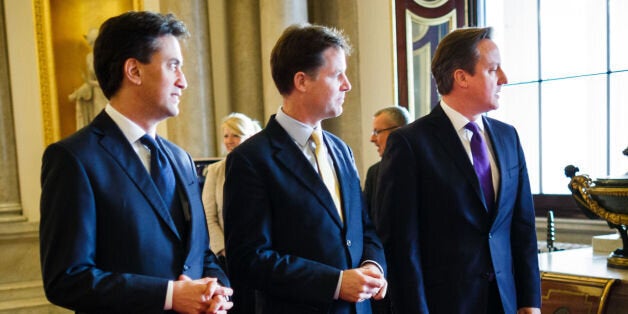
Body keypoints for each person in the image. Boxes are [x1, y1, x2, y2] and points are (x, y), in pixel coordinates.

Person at [39, 11, 233, 313]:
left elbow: (201, 254)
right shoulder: (73, 158)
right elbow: (66, 278)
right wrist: (169, 295)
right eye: (173, 66)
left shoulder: (180, 159)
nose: (183, 81)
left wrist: (216, 289)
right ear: (134, 71)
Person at [223, 23, 387, 314]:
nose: (347, 84)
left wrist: (373, 265)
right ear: (302, 81)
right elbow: (249, 258)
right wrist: (334, 283)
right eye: (337, 75)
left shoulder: (341, 150)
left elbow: (364, 228)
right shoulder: (252, 158)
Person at [375, 27, 541, 314]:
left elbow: (523, 227)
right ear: (461, 77)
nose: (504, 79)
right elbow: (401, 244)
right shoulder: (410, 143)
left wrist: (529, 302)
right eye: (493, 70)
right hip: (444, 304)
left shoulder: (508, 137)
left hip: (505, 301)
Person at [202, 112, 261, 314]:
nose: (229, 141)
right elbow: (208, 216)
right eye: (226, 136)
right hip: (228, 258)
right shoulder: (215, 171)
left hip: (261, 255)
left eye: (235, 135)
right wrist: (224, 250)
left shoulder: (262, 168)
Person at [363, 106, 410, 225]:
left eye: (377, 132)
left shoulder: (424, 167)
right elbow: (366, 218)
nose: (372, 139)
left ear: (399, 132)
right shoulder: (374, 172)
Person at [68, 28, 108, 129]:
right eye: (90, 43)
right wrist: (79, 93)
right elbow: (89, 81)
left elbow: (109, 80)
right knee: (99, 123)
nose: (92, 46)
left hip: (107, 94)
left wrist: (92, 83)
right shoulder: (89, 57)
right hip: (97, 95)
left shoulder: (108, 56)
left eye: (94, 42)